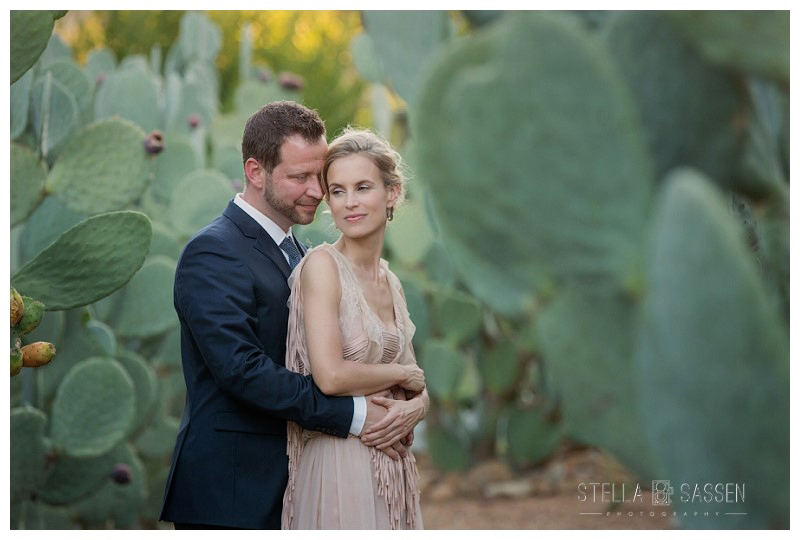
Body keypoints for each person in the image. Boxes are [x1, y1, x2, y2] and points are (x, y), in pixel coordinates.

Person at [159, 102, 425, 530]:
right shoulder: (213, 251)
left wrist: (414, 402)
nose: (317, 192)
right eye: (299, 178)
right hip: (232, 491)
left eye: (318, 178)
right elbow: (242, 371)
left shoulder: (300, 253)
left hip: (297, 478)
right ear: (255, 171)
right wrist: (355, 416)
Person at [281, 128, 429, 530]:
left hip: (392, 462)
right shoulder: (322, 267)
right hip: (338, 462)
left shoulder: (390, 280)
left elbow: (418, 383)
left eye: (362, 187)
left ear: (392, 193)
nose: (350, 203)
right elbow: (330, 376)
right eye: (338, 191)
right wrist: (401, 375)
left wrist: (419, 407)